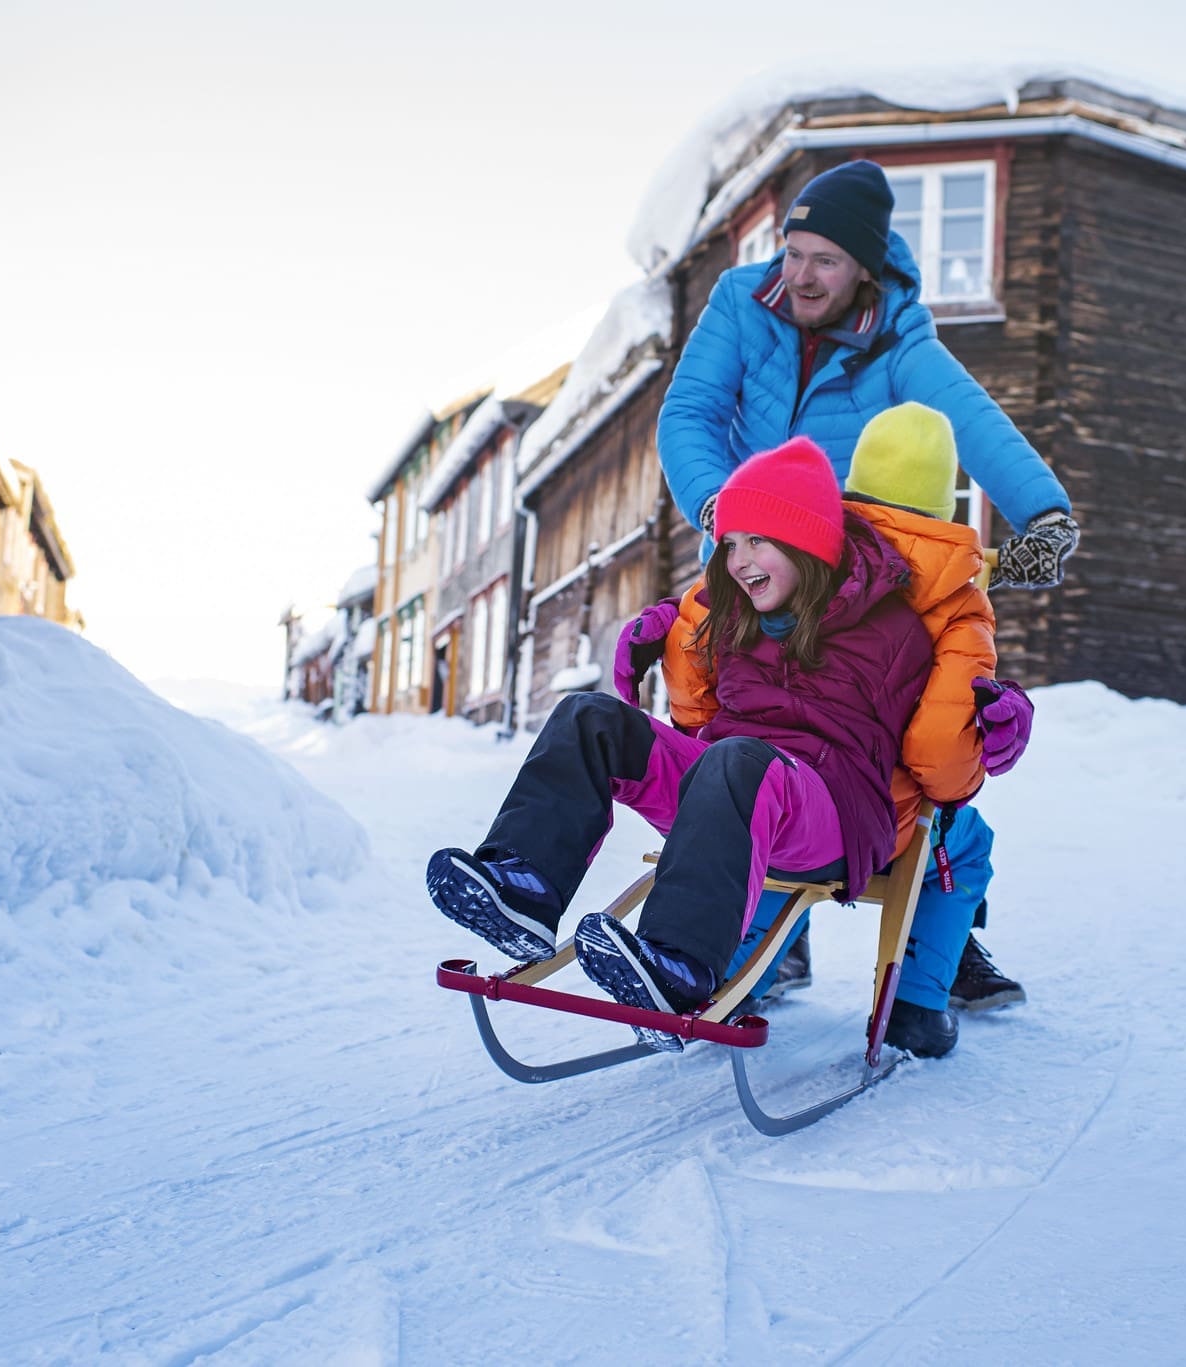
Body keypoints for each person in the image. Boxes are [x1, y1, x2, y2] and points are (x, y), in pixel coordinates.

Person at [656, 157, 1070, 1008]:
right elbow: (689, 412)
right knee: (741, 723)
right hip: (755, 555)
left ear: (865, 270)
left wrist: (1043, 513)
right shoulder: (742, 301)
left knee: (915, 735)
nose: (799, 275)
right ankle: (761, 926)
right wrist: (719, 512)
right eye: (793, 251)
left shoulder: (900, 338)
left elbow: (966, 416)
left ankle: (941, 935)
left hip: (859, 577)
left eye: (825, 260)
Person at [426, 437, 935, 1055]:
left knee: (738, 758)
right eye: (729, 544)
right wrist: (663, 635)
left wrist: (996, 716)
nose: (738, 559)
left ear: (807, 542)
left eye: (757, 540)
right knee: (591, 717)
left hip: (831, 810)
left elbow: (947, 751)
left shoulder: (896, 630)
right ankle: (524, 888)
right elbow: (694, 701)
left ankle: (681, 965)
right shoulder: (738, 613)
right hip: (727, 783)